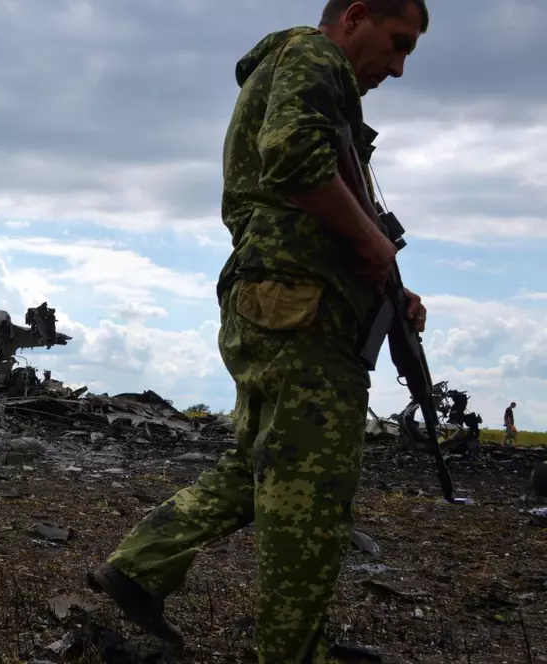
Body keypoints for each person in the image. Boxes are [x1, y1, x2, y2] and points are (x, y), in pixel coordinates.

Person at [86, 1, 430, 661]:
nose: (398, 66)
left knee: (258, 465)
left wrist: (392, 285)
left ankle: (138, 568)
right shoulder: (313, 53)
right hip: (303, 310)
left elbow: (330, 201)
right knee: (311, 488)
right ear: (355, 16)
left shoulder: (314, 81)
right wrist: (374, 248)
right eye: (397, 43)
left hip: (280, 301)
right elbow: (294, 158)